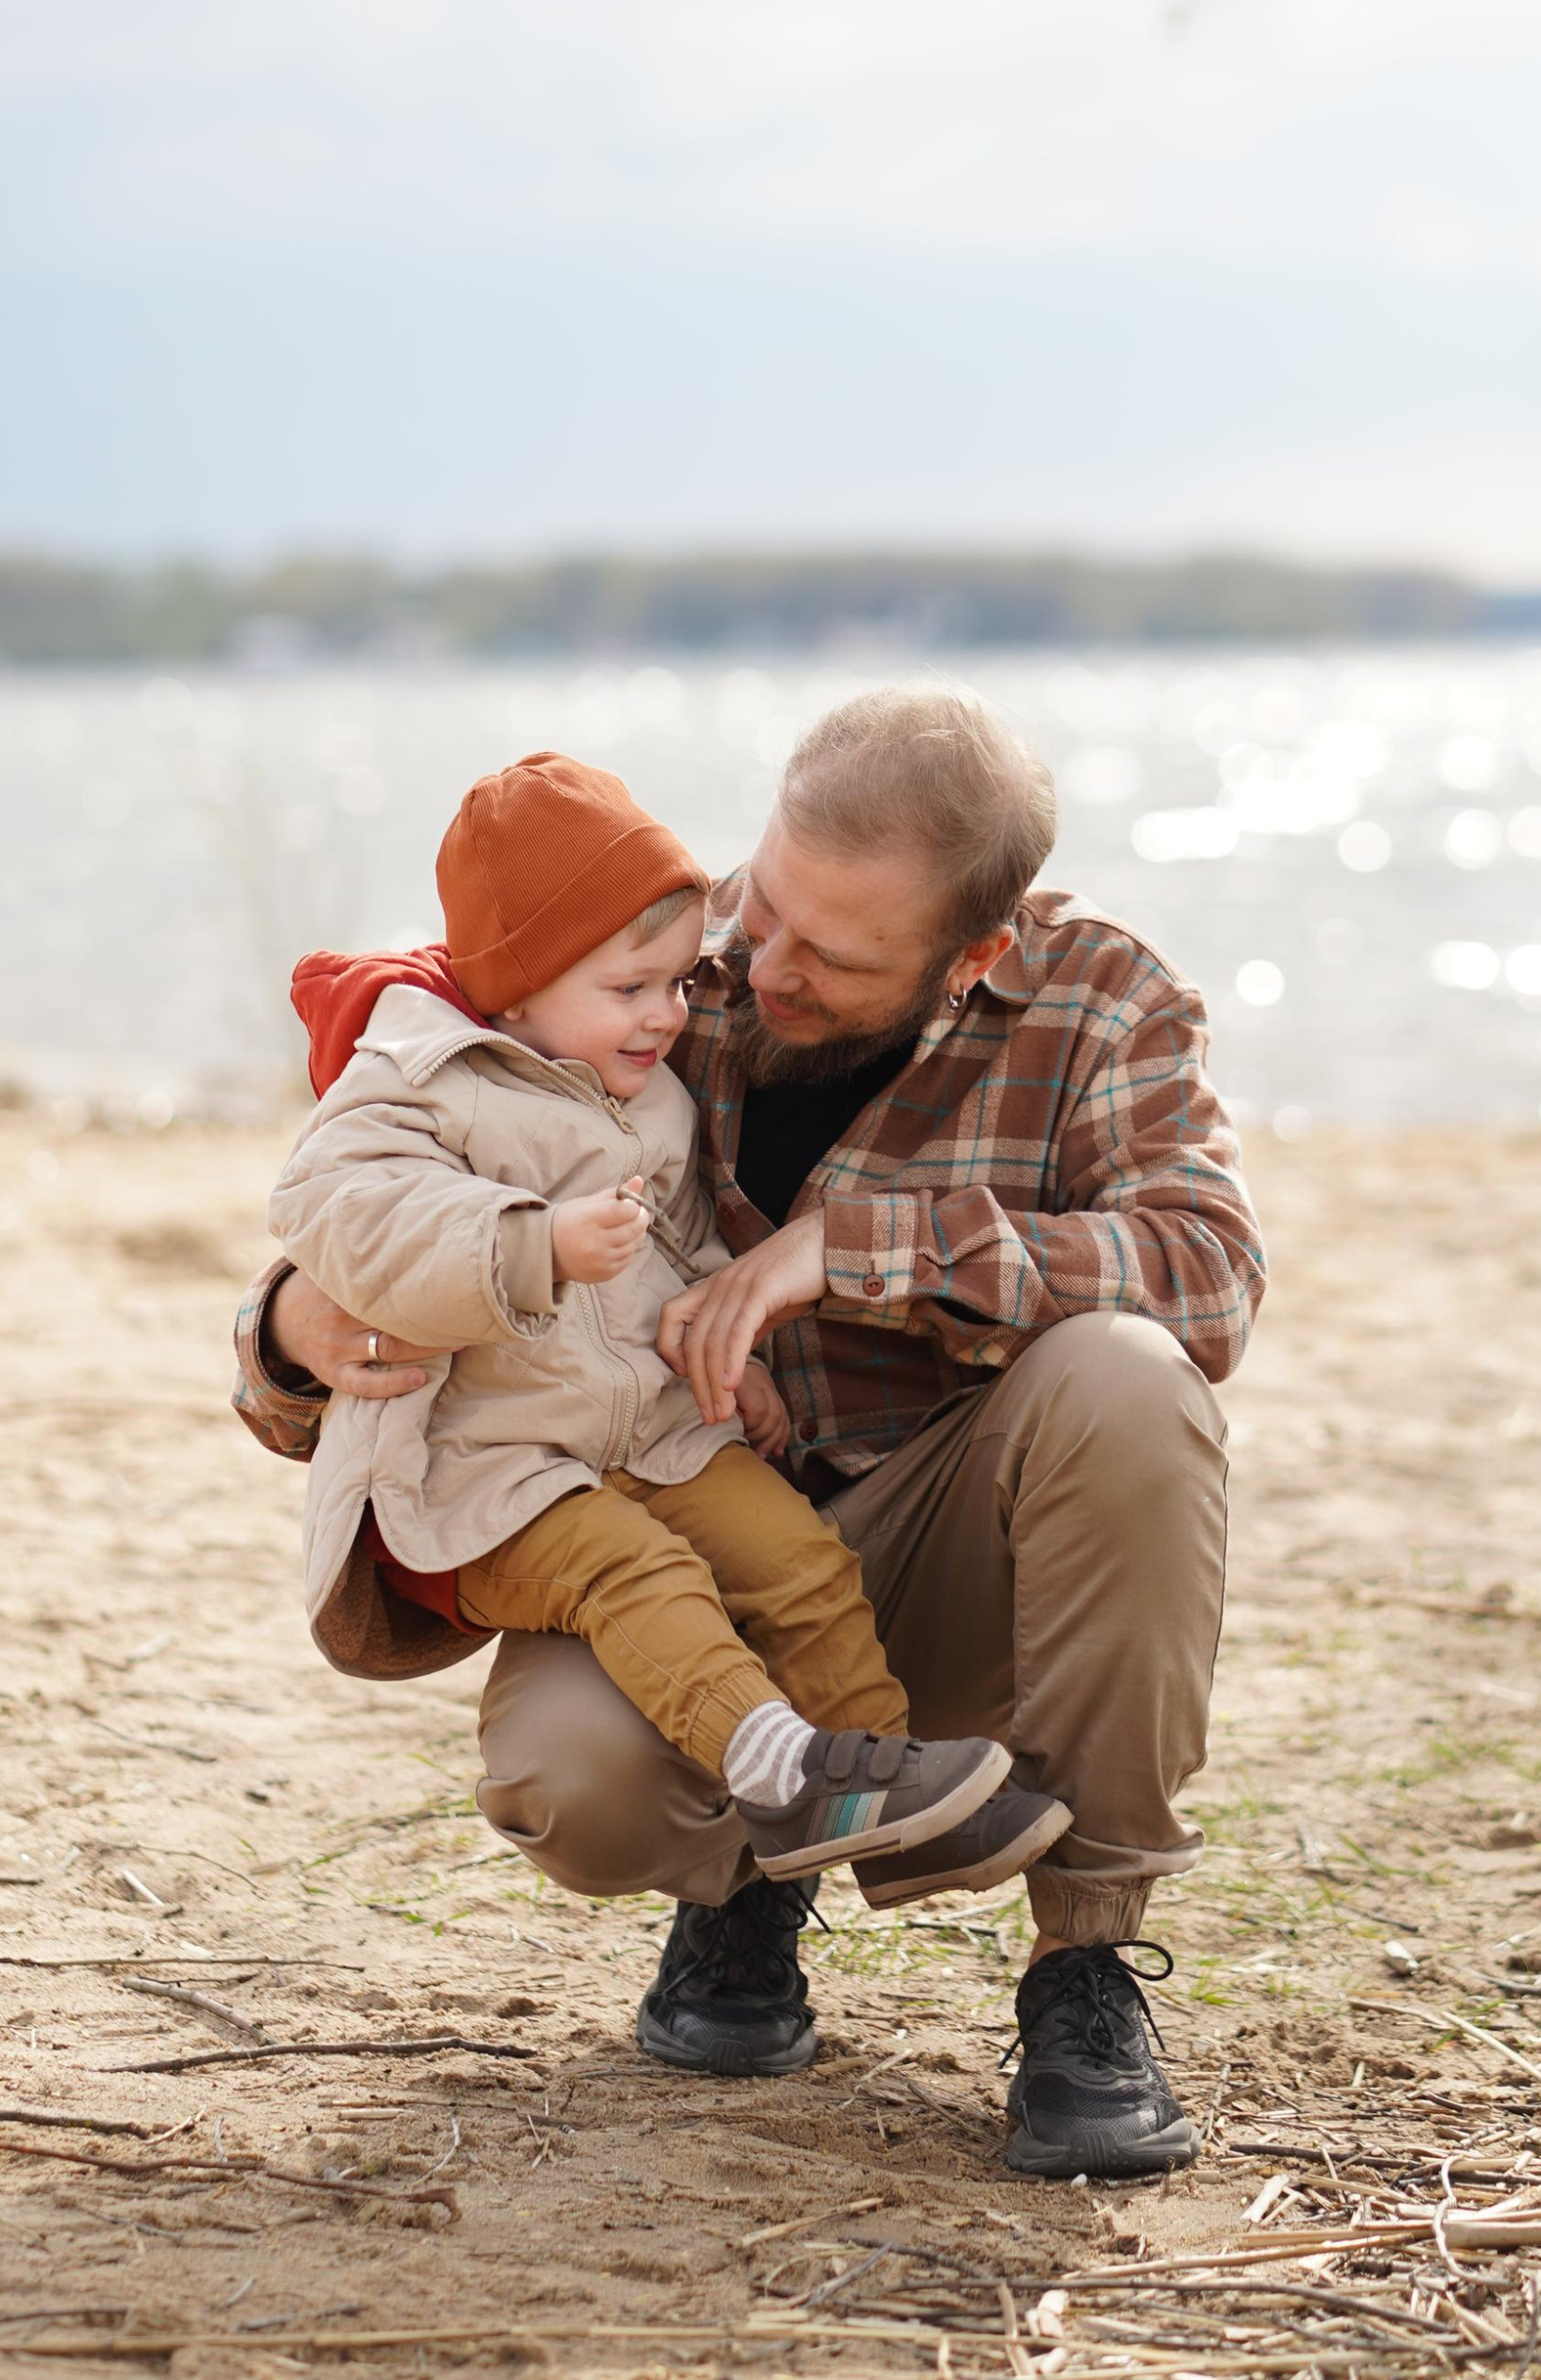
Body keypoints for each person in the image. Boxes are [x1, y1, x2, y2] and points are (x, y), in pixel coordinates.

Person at [238, 687, 1265, 2180]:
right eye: (764, 903)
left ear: (974, 950)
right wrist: (288, 1332)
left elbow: (1210, 1279)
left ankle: (1084, 1976)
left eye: (833, 958)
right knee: (568, 1782)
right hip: (681, 1535)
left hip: (973, 1547)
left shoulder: (1101, 999)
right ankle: (745, 1889)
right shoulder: (646, 955)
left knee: (1130, 1373)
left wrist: (857, 1248)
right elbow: (389, 1166)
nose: (757, 964)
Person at [265, 748, 1065, 1893]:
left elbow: (683, 1243)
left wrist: (717, 1346)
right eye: (630, 990)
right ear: (520, 983)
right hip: (481, 1471)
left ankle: (885, 1789)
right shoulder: (413, 1077)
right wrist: (526, 1242)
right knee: (640, 1576)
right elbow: (337, 1214)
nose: (666, 1016)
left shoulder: (653, 1091)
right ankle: (781, 1775)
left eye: (679, 983)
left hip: (644, 1427)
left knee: (796, 1559)